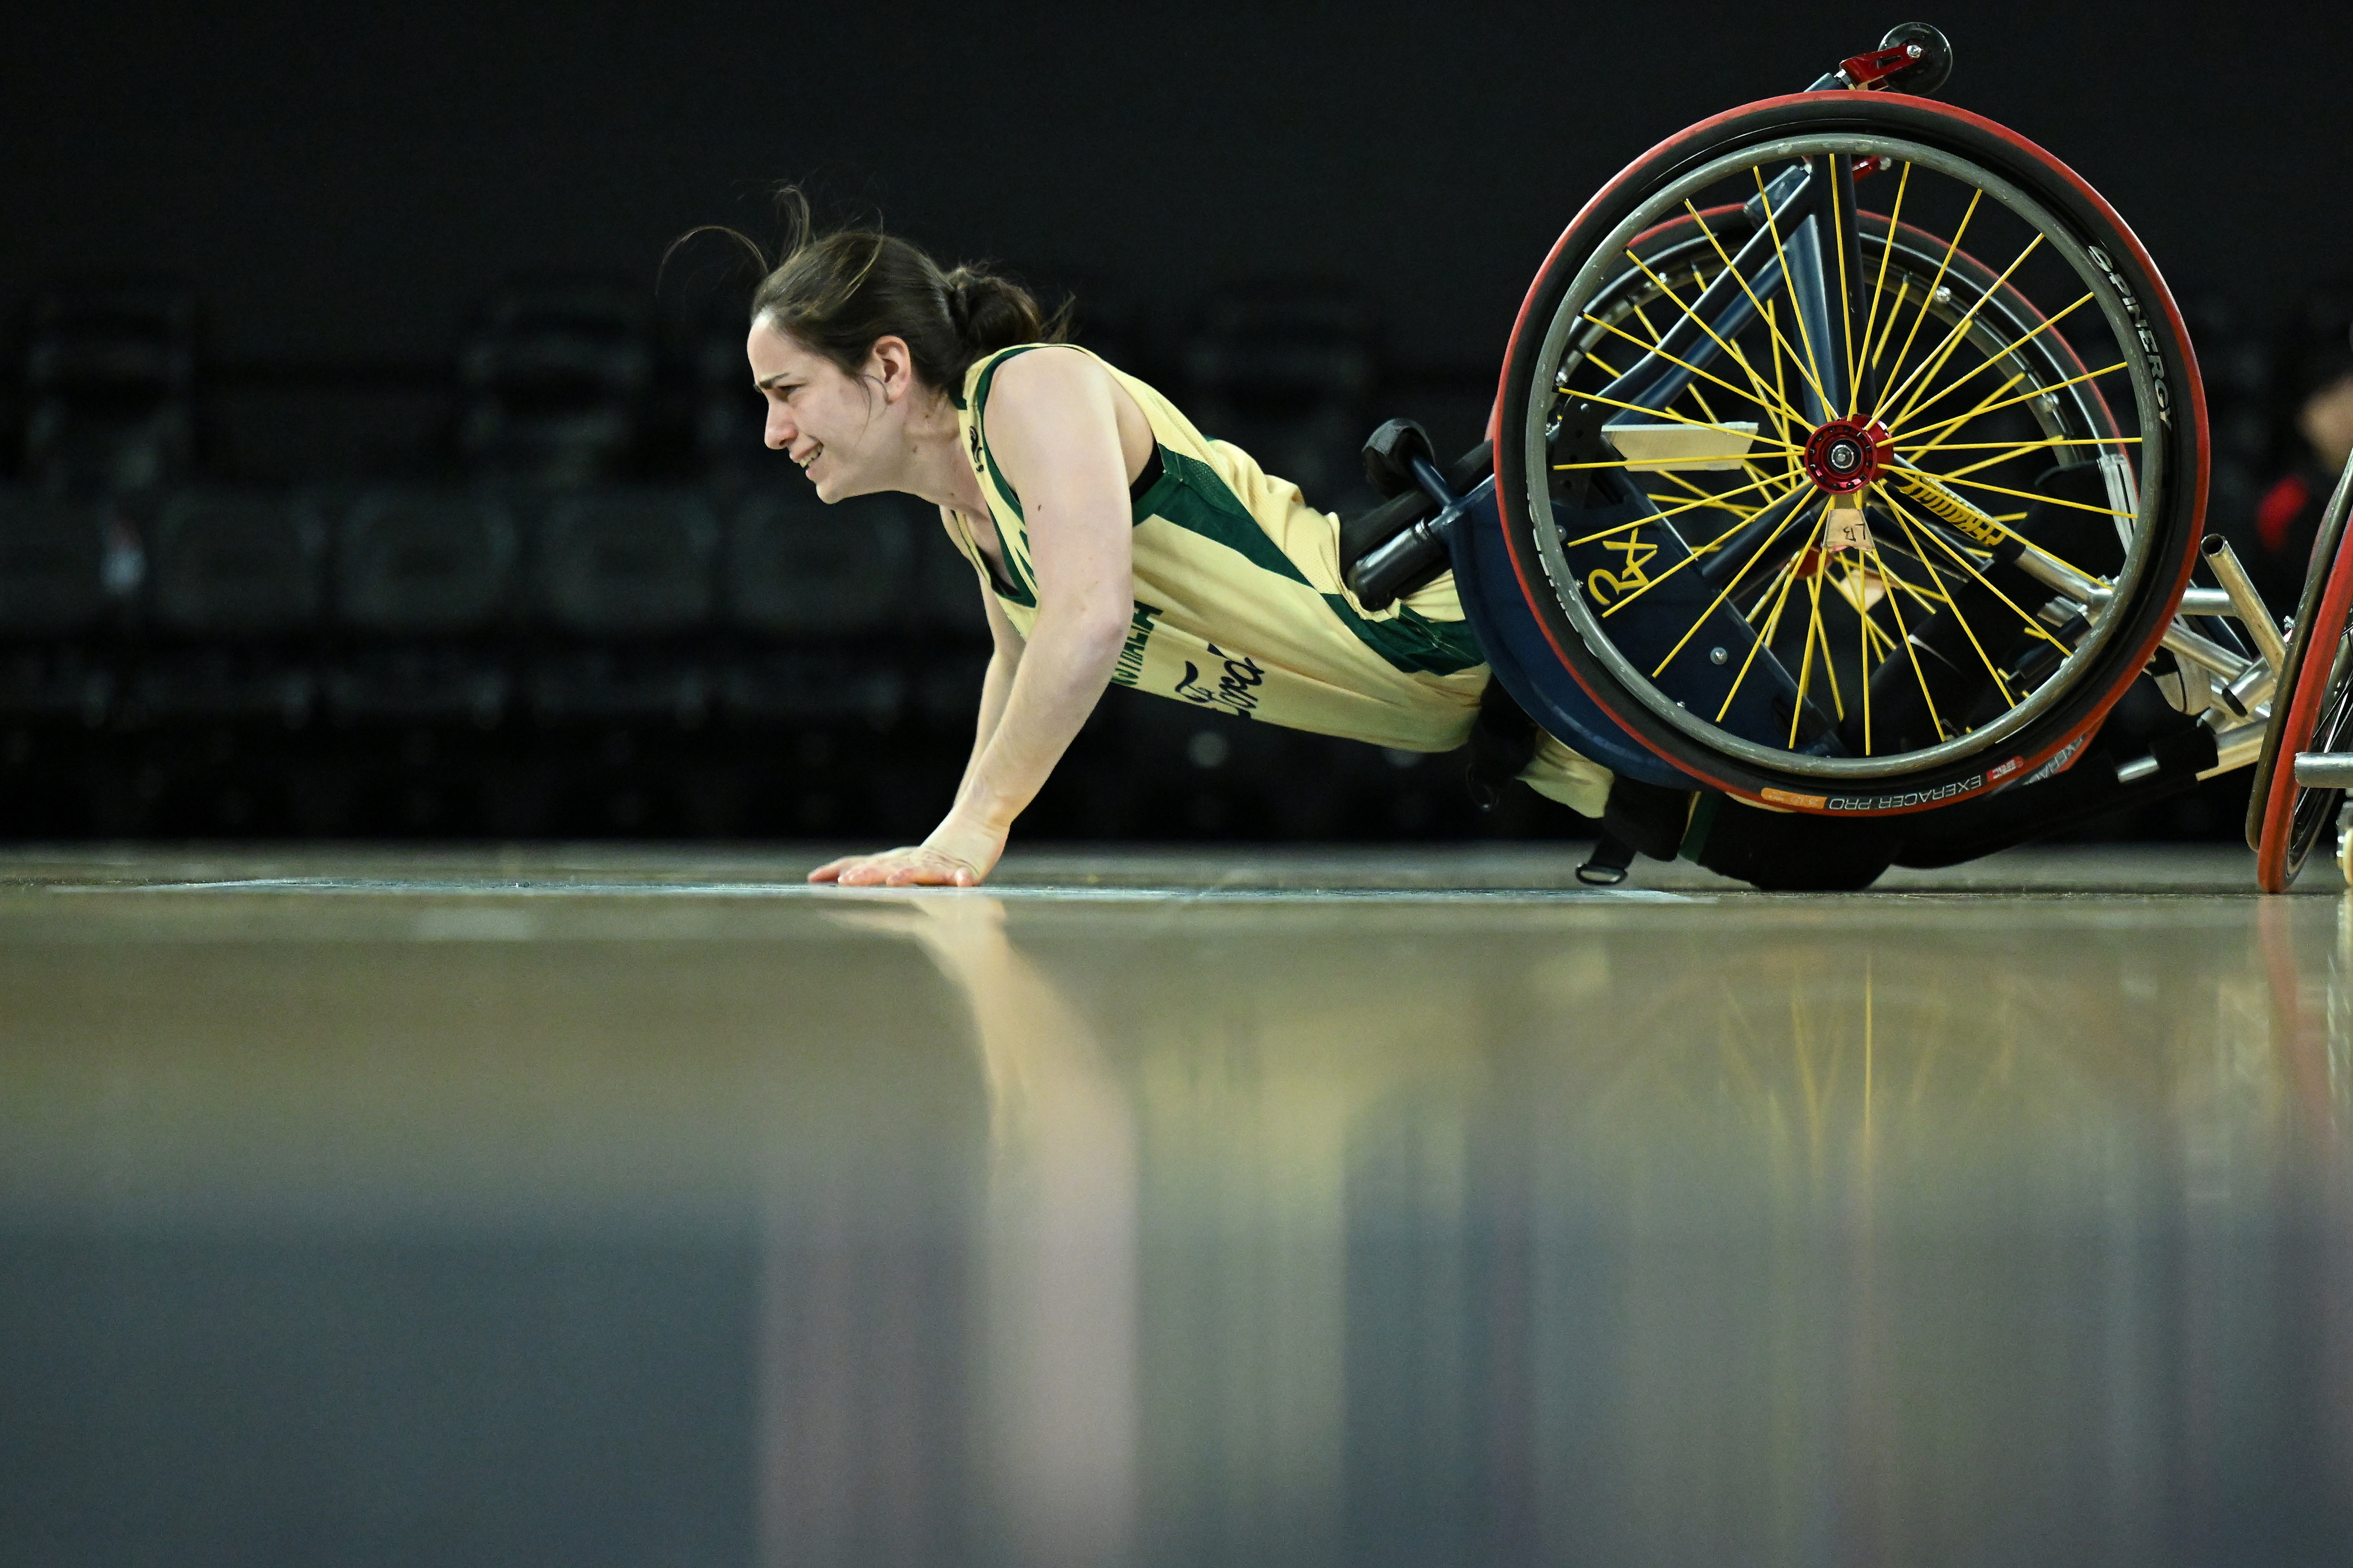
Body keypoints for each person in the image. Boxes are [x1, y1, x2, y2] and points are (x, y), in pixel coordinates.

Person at [720, 211, 2211, 891]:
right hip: (1499, 726)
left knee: (1853, 664)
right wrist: (946, 829)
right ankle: (2194, 736)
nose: (775, 433)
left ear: (892, 365)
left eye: (787, 393)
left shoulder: (1029, 391)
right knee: (1835, 845)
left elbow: (1091, 626)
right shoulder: (971, 516)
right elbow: (1020, 657)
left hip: (1454, 620)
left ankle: (2129, 583)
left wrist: (972, 839)